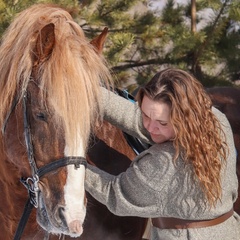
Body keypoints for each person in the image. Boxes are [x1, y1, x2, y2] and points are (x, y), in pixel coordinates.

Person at [85, 68, 240, 240]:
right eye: (145, 114)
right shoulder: (216, 120)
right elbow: (138, 119)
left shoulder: (164, 163)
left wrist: (70, 165)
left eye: (162, 123)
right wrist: (88, 89)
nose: (151, 127)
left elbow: (114, 193)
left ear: (182, 119)